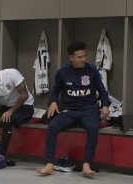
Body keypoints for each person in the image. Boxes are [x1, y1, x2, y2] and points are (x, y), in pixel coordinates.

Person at [37, 41, 110, 177]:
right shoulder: (62, 73)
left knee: (93, 127)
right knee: (52, 127)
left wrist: (105, 105)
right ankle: (49, 164)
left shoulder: (92, 70)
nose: (83, 59)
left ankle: (87, 165)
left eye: (84, 56)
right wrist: (53, 102)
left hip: (88, 110)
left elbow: (102, 91)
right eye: (79, 57)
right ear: (71, 58)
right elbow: (55, 91)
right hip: (69, 111)